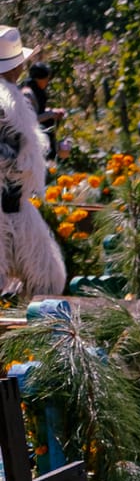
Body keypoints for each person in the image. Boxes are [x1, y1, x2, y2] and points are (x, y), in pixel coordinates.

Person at [0, 21, 66, 302]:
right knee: (47, 280)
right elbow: (8, 157)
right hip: (9, 203)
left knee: (45, 276)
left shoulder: (10, 100)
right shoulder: (8, 102)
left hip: (12, 204)